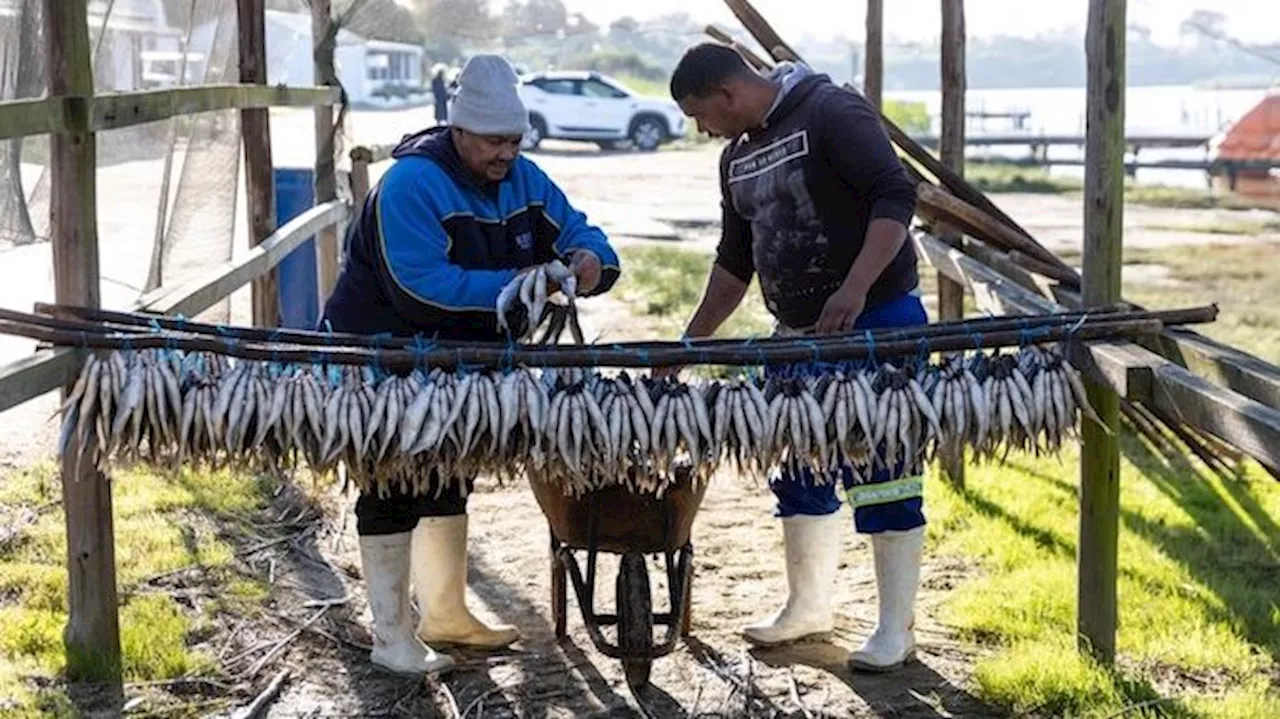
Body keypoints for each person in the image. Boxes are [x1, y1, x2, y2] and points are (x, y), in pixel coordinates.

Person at [321, 54, 620, 675]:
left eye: (513, 140)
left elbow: (580, 232)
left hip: (465, 364)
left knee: (451, 476)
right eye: (492, 141)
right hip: (384, 358)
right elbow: (420, 287)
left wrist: (589, 262)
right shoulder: (410, 185)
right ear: (458, 131)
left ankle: (446, 613)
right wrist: (525, 282)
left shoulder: (527, 179)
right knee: (392, 482)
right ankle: (391, 635)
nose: (505, 153)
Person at [665, 43, 925, 673]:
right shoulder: (736, 157)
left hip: (877, 323)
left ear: (727, 93)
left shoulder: (831, 110)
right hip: (794, 336)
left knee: (884, 468)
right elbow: (735, 260)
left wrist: (857, 285)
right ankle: (807, 607)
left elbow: (895, 196)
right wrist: (691, 340)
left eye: (701, 115)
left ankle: (896, 627)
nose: (702, 130)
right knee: (799, 468)